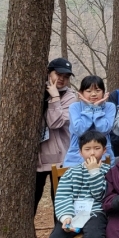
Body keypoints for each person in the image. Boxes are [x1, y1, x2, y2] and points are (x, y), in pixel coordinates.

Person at [36, 57, 77, 216]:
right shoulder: (36, 91)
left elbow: (55, 123)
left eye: (66, 76)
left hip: (61, 159)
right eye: (58, 74)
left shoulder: (70, 97)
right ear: (48, 73)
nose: (62, 79)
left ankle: (60, 231)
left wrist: (55, 98)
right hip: (36, 159)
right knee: (32, 200)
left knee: (60, 204)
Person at [64, 75, 115, 167]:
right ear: (81, 93)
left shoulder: (110, 106)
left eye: (98, 90)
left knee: (105, 175)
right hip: (77, 154)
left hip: (103, 153)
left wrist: (97, 108)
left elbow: (104, 130)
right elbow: (80, 131)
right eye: (89, 91)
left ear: (103, 92)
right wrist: (89, 108)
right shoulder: (74, 107)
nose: (94, 94)